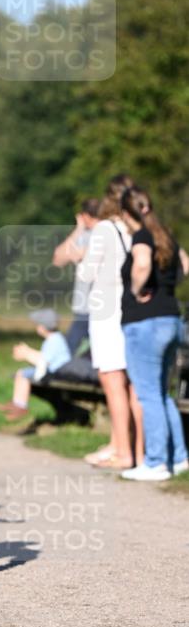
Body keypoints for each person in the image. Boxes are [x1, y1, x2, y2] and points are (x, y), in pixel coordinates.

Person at [119, 185, 189, 481]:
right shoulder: (167, 236)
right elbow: (186, 266)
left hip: (145, 324)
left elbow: (142, 263)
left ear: (126, 213)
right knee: (161, 394)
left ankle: (156, 462)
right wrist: (165, 288)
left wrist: (137, 292)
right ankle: (180, 458)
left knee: (148, 395)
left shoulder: (142, 236)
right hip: (172, 319)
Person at [76, 175, 143, 470]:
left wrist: (83, 257)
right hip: (134, 309)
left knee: (112, 381)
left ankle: (122, 451)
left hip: (107, 312)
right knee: (134, 384)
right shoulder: (139, 227)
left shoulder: (105, 228)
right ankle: (137, 451)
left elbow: (86, 274)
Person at [0, 308, 71, 420]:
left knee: (24, 374)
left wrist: (26, 354)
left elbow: (44, 361)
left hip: (56, 373)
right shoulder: (53, 339)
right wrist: (28, 352)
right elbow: (43, 357)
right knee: (22, 373)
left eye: (38, 325)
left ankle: (20, 405)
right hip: (53, 370)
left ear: (43, 327)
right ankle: (17, 403)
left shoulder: (55, 340)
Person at [52, 198, 100, 355]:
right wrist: (79, 230)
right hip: (86, 306)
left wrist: (78, 230)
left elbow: (60, 257)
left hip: (92, 307)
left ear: (85, 215)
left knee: (67, 352)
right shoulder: (85, 234)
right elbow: (58, 258)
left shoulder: (101, 234)